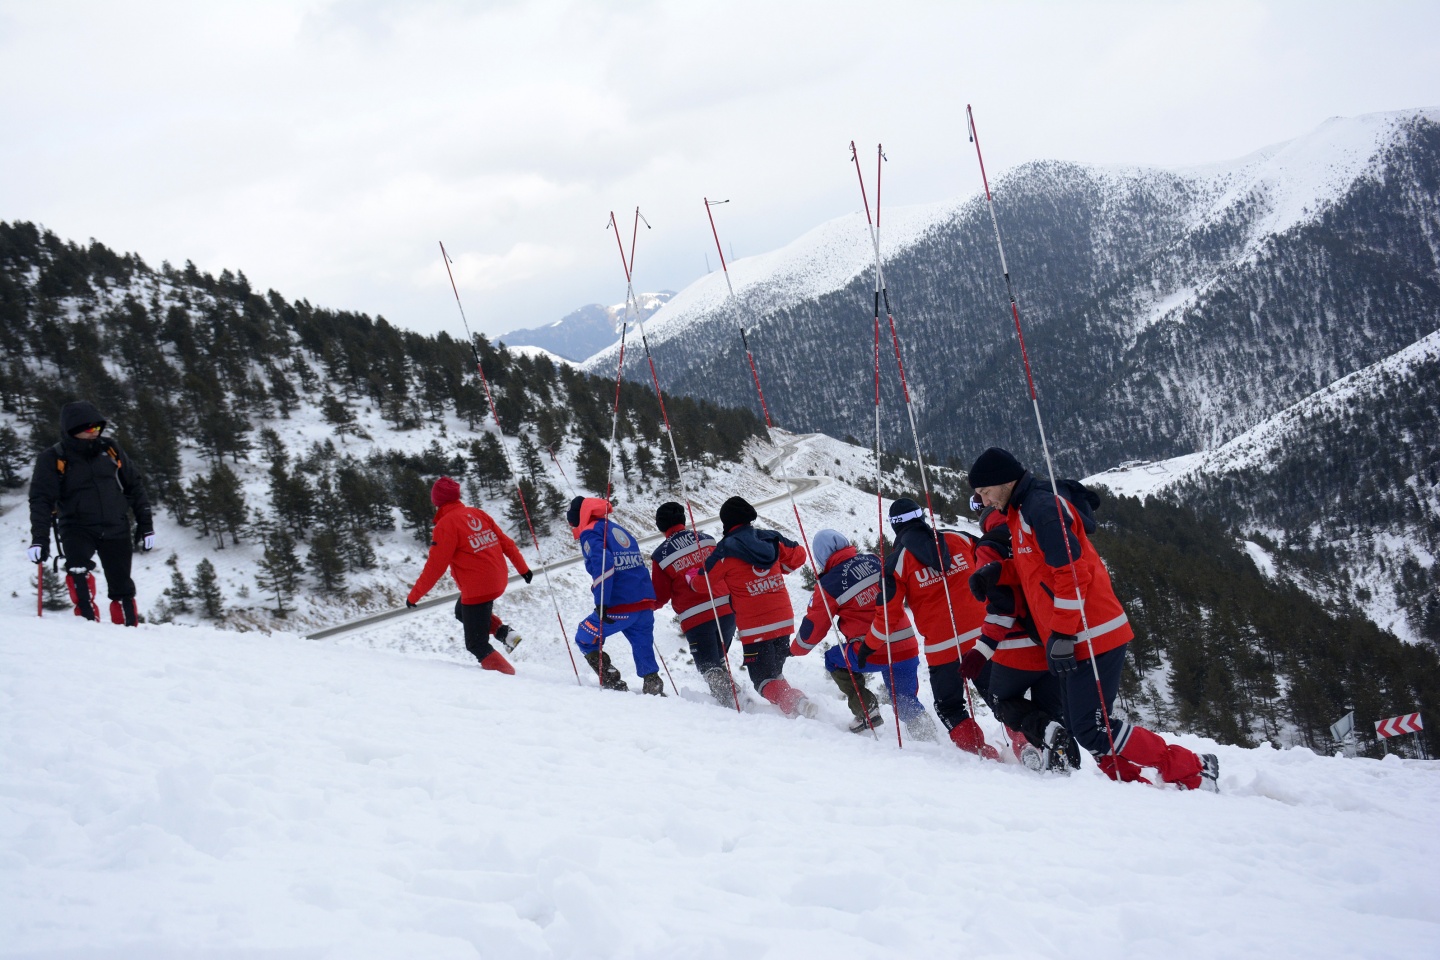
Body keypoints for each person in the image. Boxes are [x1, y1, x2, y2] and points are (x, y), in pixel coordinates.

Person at [968, 447, 1220, 792]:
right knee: (1080, 722)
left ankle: (1192, 768)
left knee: (1089, 725)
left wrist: (1061, 633)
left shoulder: (1040, 509)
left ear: (1004, 481)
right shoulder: (1022, 512)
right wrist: (999, 572)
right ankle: (1131, 785)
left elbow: (1072, 572)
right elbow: (1037, 569)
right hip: (1079, 633)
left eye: (985, 492)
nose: (984, 501)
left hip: (1093, 631)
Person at [878, 498, 1001, 759]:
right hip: (985, 637)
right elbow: (993, 563)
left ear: (894, 526)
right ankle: (1027, 744)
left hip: (942, 648)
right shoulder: (961, 538)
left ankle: (983, 754)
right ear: (921, 517)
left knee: (949, 707)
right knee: (1002, 698)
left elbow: (889, 611)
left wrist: (870, 644)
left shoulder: (897, 561)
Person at [962, 503, 1080, 773]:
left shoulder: (988, 547)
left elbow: (1003, 605)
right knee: (1049, 708)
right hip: (1054, 641)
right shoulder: (1033, 533)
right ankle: (1056, 762)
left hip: (1015, 647)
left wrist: (982, 649)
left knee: (1002, 702)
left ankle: (1042, 733)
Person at [792, 529, 935, 739]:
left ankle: (867, 711)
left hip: (871, 650)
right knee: (904, 700)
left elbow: (813, 629)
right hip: (906, 645)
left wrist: (794, 650)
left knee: (833, 659)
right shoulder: (875, 560)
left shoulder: (829, 584)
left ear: (822, 556)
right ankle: (931, 739)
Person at [687, 496, 817, 718]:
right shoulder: (771, 539)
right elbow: (799, 556)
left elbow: (702, 584)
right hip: (784, 621)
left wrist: (690, 576)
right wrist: (780, 567)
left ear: (726, 523)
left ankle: (798, 703)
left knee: (762, 681)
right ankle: (792, 704)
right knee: (773, 672)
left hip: (756, 628)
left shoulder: (725, 550)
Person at [27, 400, 154, 626]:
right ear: (73, 429)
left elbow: (135, 485)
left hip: (116, 525)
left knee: (122, 585)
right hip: (77, 527)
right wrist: (40, 539)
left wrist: (145, 525)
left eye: (98, 427)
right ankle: (87, 628)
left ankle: (129, 631)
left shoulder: (110, 449)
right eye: (89, 428)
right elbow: (41, 500)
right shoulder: (53, 457)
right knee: (78, 572)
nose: (95, 432)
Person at [406, 476, 528, 674]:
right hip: (497, 579)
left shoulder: (445, 526)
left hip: (478, 589)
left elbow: (434, 568)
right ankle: (505, 633)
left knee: (476, 644)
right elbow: (506, 543)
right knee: (461, 611)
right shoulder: (477, 513)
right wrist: (523, 569)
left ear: (436, 500)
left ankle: (509, 678)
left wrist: (414, 596)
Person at [567, 496, 664, 695]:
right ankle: (653, 684)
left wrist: (601, 602)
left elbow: (604, 564)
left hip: (619, 606)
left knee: (585, 637)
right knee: (642, 644)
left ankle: (613, 681)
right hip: (644, 603)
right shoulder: (616, 528)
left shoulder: (590, 532)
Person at [650, 501, 737, 705]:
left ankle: (731, 706)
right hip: (726, 611)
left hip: (696, 618)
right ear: (683, 520)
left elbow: (660, 596)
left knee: (709, 666)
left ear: (660, 526)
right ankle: (739, 698)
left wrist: (645, 606)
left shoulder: (660, 555)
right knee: (719, 660)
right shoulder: (708, 540)